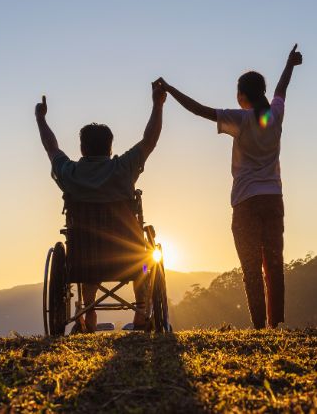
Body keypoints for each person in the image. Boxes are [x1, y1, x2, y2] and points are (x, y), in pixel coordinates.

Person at [154, 44, 302, 329]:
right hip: (273, 198)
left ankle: (259, 326)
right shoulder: (275, 114)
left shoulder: (242, 119)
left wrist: (170, 90)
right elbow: (282, 88)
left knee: (250, 268)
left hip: (246, 201)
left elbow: (199, 110)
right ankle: (275, 324)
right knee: (273, 262)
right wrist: (289, 63)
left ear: (242, 96)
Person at [35, 82, 166, 332]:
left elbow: (51, 148)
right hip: (133, 260)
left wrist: (40, 118)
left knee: (86, 245)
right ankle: (141, 313)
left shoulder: (70, 173)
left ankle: (89, 313)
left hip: (82, 262)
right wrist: (157, 105)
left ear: (82, 148)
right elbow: (150, 140)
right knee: (147, 255)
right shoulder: (123, 168)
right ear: (110, 147)